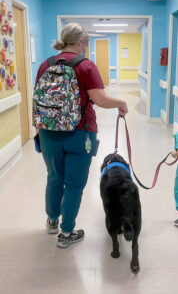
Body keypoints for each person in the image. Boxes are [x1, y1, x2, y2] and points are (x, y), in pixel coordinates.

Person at [34, 23, 128, 248]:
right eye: (85, 43)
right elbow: (101, 99)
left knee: (54, 177)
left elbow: (39, 100)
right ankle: (67, 233)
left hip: (48, 132)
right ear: (79, 42)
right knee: (74, 184)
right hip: (80, 133)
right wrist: (122, 103)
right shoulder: (86, 66)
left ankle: (52, 220)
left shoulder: (46, 65)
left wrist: (38, 130)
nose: (85, 48)